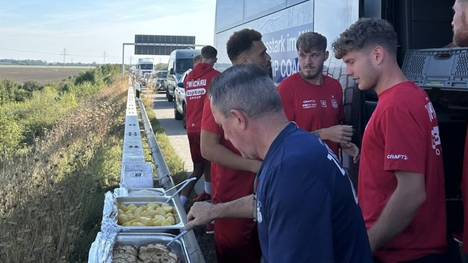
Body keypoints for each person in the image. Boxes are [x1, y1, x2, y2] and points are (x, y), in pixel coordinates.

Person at [187, 64, 373, 263]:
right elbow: (267, 202)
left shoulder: (292, 170)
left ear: (238, 119)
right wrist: (214, 210)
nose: (225, 135)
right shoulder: (292, 146)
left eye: (223, 125)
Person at [333, 18, 447, 262]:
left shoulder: (396, 106)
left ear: (377, 55)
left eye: (351, 62)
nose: (349, 71)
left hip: (404, 254)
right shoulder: (413, 94)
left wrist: (365, 247)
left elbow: (411, 193)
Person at [199, 28, 271, 262]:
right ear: (244, 60)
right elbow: (208, 148)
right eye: (262, 53)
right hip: (232, 200)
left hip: (266, 195)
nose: (268, 58)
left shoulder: (265, 89)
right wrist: (253, 166)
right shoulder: (222, 92)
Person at [278, 32, 358, 160]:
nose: (307, 62)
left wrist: (343, 143)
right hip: (300, 168)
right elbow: (282, 140)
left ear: (325, 56)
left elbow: (336, 124)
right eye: (302, 56)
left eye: (314, 55)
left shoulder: (335, 86)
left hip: (331, 168)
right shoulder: (286, 88)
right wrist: (324, 134)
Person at [179, 46, 220, 208]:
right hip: (207, 128)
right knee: (210, 165)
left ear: (202, 58)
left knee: (199, 166)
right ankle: (208, 200)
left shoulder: (189, 78)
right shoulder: (216, 77)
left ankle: (186, 199)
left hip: (191, 127)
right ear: (214, 60)